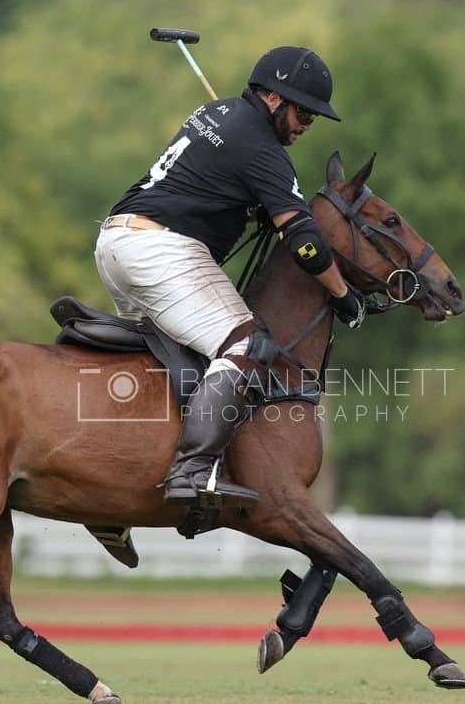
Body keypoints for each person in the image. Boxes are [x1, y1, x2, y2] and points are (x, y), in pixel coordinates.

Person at [93, 45, 366, 510]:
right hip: (162, 251)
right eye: (304, 113)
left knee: (167, 364)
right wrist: (342, 293)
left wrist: (254, 202)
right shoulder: (261, 148)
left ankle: (112, 490)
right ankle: (193, 470)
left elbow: (211, 184)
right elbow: (304, 241)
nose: (307, 125)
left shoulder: (215, 113)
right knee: (249, 347)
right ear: (274, 100)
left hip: (116, 242)